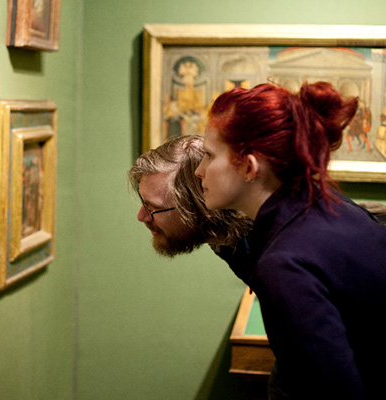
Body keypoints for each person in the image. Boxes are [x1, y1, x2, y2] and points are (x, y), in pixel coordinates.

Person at [194, 81, 386, 399]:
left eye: (209, 156)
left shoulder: (283, 263)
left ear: (249, 166)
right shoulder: (331, 207)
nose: (199, 171)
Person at [129, 135, 252, 257]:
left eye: (155, 207)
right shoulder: (223, 241)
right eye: (143, 201)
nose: (141, 216)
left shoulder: (266, 247)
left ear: (200, 208)